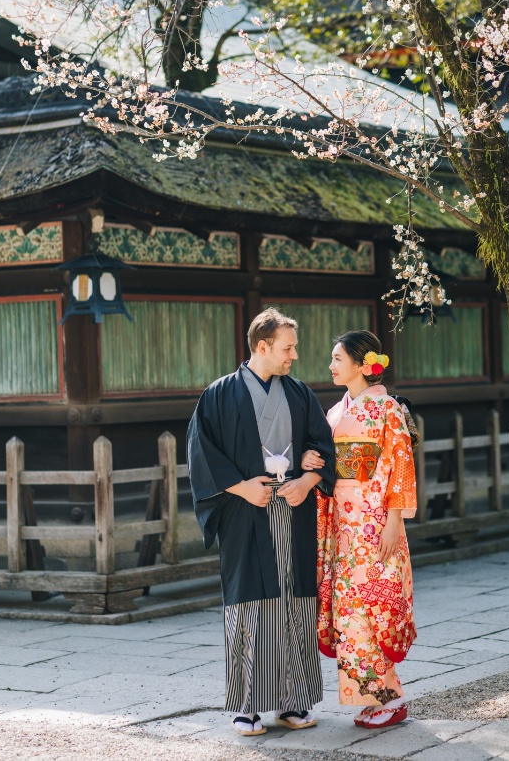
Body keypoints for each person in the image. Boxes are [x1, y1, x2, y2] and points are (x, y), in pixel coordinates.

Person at [187, 308, 336, 736]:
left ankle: (293, 702)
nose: (294, 356)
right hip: (243, 513)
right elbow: (201, 453)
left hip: (293, 510)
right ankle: (248, 706)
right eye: (287, 348)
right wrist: (240, 487)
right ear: (262, 346)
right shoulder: (219, 395)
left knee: (296, 602)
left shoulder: (300, 393)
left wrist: (308, 481)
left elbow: (321, 446)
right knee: (248, 603)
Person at [302, 330, 417, 729]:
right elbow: (329, 464)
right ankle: (378, 695)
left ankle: (389, 697)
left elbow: (400, 466)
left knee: (373, 605)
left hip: (375, 520)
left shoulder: (386, 408)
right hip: (343, 523)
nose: (331, 365)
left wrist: (394, 521)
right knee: (350, 608)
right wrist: (314, 457)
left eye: (337, 358)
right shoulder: (336, 412)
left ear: (360, 363)